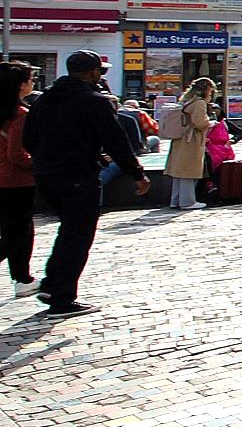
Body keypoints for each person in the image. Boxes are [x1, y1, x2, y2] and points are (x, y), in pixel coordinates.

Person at [22, 51, 149, 318]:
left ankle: (53, 284)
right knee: (77, 236)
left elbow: (29, 139)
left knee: (69, 233)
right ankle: (62, 297)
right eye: (99, 72)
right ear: (92, 73)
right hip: (78, 176)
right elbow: (117, 141)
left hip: (46, 175)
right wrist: (136, 174)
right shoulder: (94, 101)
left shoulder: (44, 100)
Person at [0, 62, 36, 297]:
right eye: (31, 79)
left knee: (14, 232)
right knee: (18, 233)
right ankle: (22, 278)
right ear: (21, 85)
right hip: (16, 181)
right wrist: (39, 163)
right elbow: (17, 154)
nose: (33, 83)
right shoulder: (20, 114)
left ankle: (23, 277)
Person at [165, 78, 217, 211]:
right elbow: (200, 123)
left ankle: (175, 200)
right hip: (191, 139)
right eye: (210, 92)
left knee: (178, 171)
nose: (211, 95)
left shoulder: (186, 100)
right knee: (188, 170)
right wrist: (210, 123)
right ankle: (187, 201)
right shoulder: (199, 103)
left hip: (180, 138)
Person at [99, 95, 147, 191]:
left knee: (116, 164)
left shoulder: (128, 120)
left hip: (116, 157)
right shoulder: (96, 120)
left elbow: (134, 146)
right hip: (99, 157)